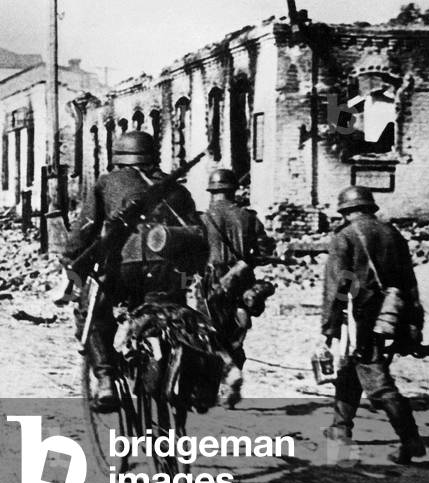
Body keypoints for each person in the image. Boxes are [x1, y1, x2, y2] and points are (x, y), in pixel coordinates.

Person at [63, 131, 209, 412]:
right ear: (152, 156)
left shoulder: (108, 183)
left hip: (125, 269)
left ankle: (105, 379)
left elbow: (85, 229)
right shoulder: (177, 189)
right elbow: (198, 239)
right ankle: (193, 384)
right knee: (179, 318)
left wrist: (70, 262)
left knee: (90, 310)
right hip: (168, 273)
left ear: (119, 158)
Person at [322, 185, 426, 464]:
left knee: (376, 381)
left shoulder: (344, 238)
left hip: (359, 319)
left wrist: (330, 327)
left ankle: (411, 439)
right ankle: (340, 429)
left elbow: (338, 287)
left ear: (344, 211)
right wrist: (414, 322)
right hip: (391, 316)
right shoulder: (392, 234)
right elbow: (409, 283)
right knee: (350, 372)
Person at [198, 169, 275, 409]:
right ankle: (231, 381)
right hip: (242, 283)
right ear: (234, 191)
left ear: (211, 192)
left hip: (209, 282)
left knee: (210, 335)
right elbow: (265, 253)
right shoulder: (248, 218)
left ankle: (222, 381)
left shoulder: (200, 219)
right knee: (236, 335)